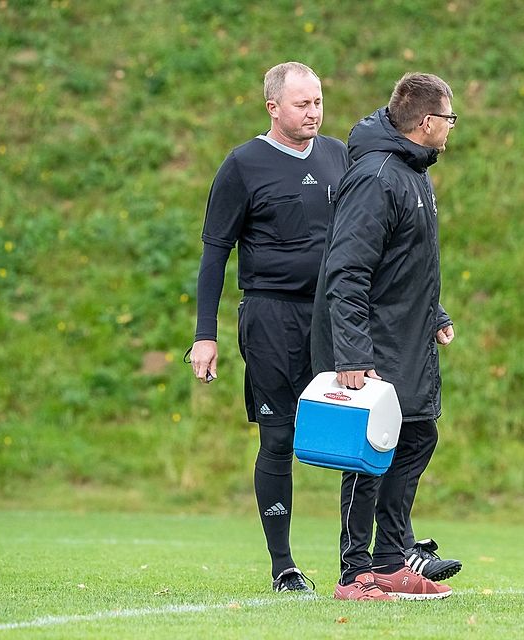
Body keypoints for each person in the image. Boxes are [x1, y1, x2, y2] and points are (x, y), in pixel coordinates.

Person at [187, 61, 349, 593]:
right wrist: (204, 334)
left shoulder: (337, 156)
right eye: (303, 104)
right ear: (273, 107)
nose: (314, 113)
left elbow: (365, 240)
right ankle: (284, 567)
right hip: (271, 318)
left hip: (332, 318)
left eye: (318, 101)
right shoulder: (243, 165)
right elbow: (215, 253)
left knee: (359, 432)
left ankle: (362, 562)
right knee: (278, 437)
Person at [314, 72, 459, 601]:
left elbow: (403, 260)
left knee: (417, 436)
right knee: (369, 451)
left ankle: (392, 562)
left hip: (410, 336)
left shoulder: (412, 171)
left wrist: (434, 310)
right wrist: (352, 351)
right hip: (374, 345)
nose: (451, 128)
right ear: (425, 123)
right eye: (449, 118)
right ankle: (355, 573)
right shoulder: (377, 176)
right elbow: (348, 270)